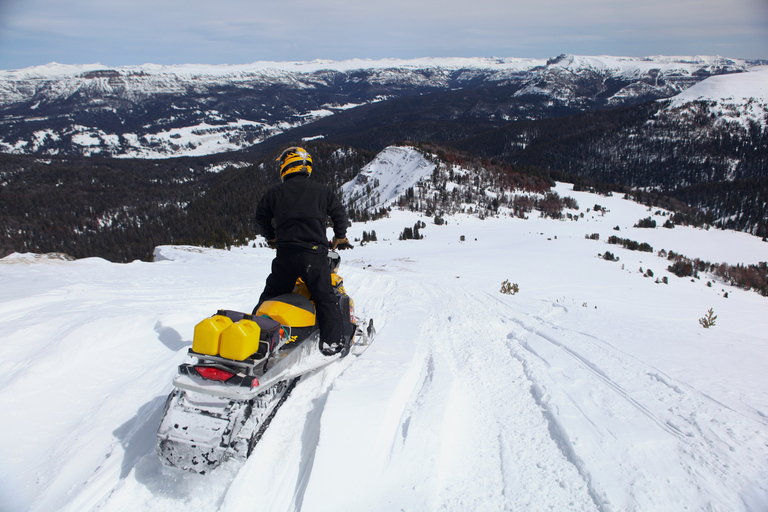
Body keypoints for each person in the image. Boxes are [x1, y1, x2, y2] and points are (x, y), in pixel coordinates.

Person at [254, 147, 352, 356]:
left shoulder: (274, 193)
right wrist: (339, 236)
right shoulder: (322, 190)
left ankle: (253, 335)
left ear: (285, 166)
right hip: (314, 256)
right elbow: (339, 213)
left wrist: (271, 237)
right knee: (325, 298)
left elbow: (261, 218)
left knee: (270, 296)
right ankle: (332, 343)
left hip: (286, 255)